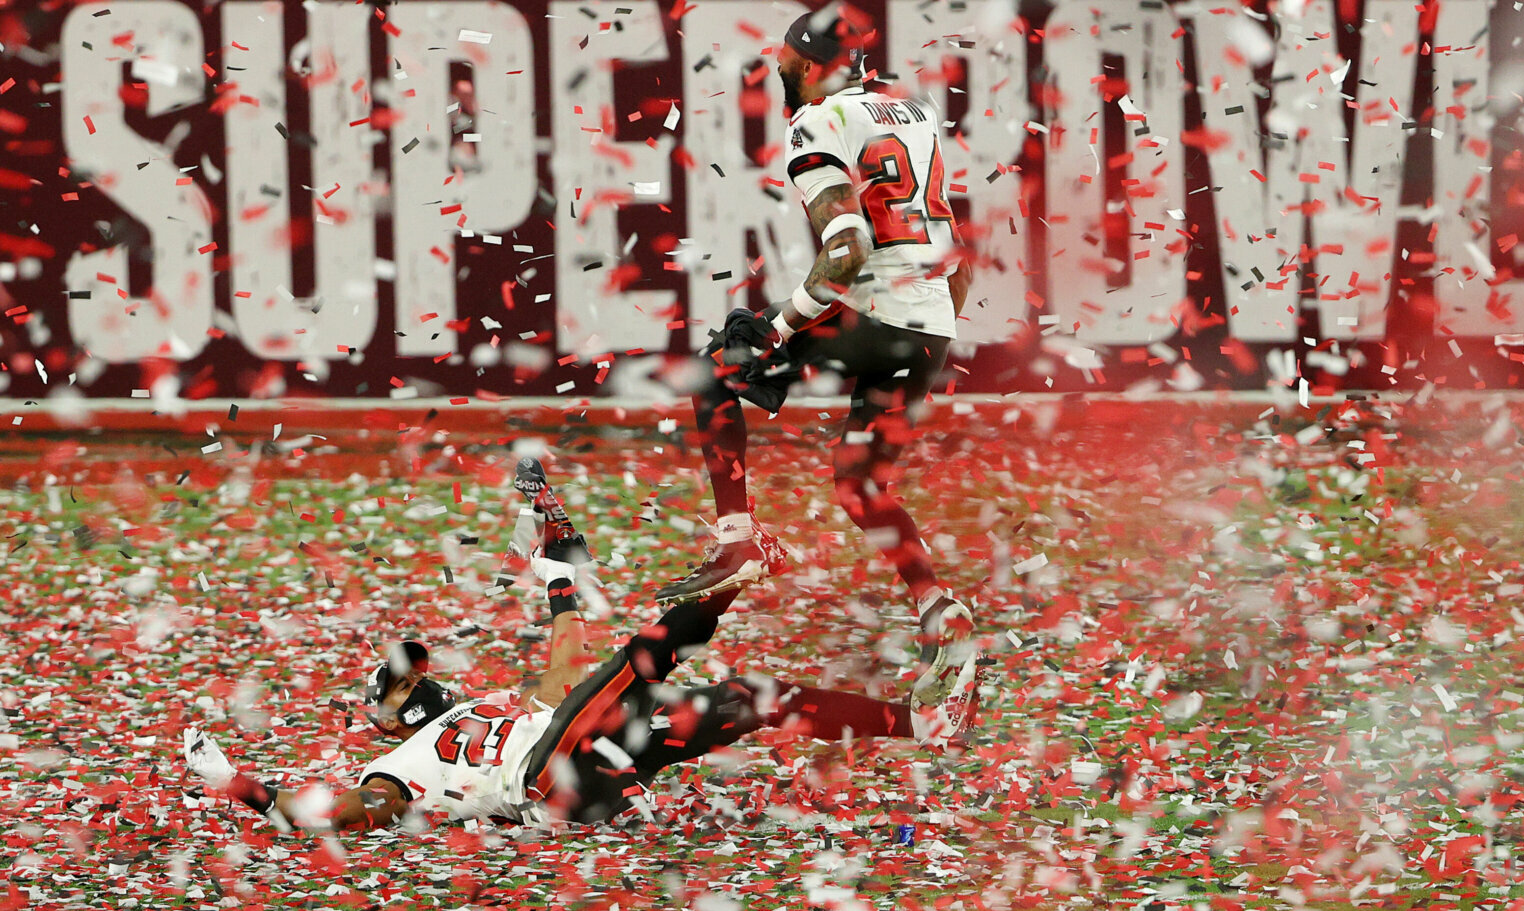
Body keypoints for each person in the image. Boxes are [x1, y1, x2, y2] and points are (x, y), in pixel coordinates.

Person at [183, 458, 974, 832]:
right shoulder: (401, 761)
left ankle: (923, 725)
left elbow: (568, 648)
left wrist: (559, 548)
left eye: (409, 675)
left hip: (585, 759)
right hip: (548, 782)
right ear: (385, 717)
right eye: (399, 684)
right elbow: (361, 807)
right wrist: (244, 789)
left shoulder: (493, 705)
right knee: (634, 664)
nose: (413, 681)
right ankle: (736, 575)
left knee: (751, 699)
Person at [663, 4, 978, 743]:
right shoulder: (912, 111)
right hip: (930, 322)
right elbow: (952, 251)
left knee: (716, 370)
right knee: (860, 483)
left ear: (807, 64)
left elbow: (846, 251)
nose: (775, 69)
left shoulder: (817, 121)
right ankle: (939, 607)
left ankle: (738, 538)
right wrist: (932, 336)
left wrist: (779, 327)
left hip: (875, 314)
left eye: (783, 59)